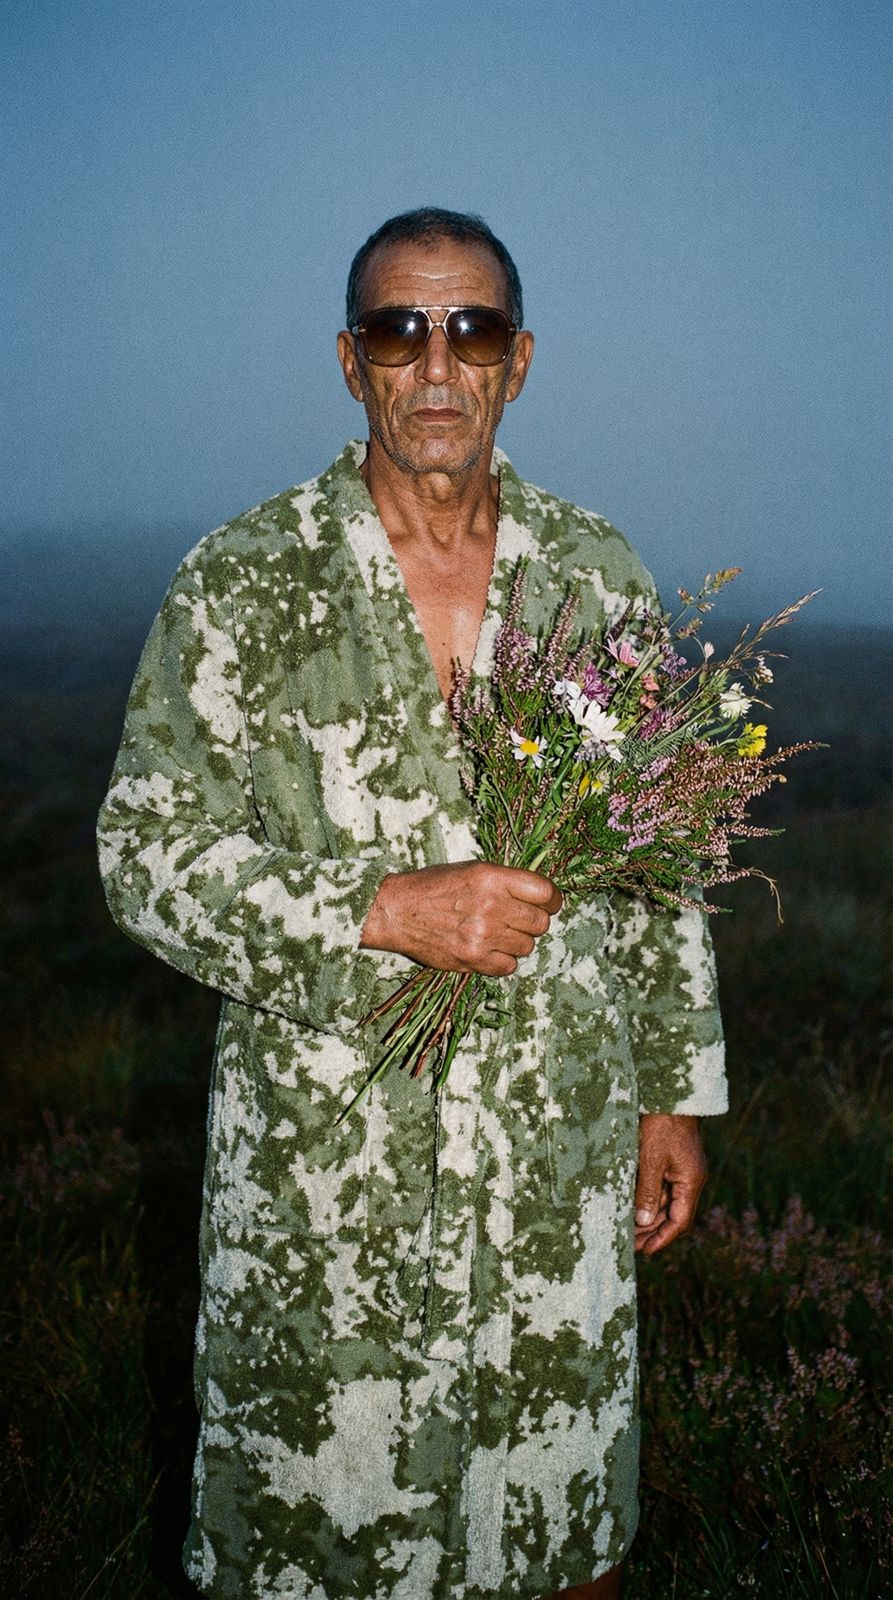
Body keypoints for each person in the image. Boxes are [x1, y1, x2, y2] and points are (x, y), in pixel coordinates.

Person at [98, 207, 727, 1600]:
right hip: (325, 1192)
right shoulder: (241, 583)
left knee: (561, 1544)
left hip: (552, 1168)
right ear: (348, 359)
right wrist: (378, 910)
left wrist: (670, 1092)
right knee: (316, 1550)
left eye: (471, 329)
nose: (435, 363)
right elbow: (142, 852)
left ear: (518, 361)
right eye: (398, 329)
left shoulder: (597, 576)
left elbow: (658, 858)